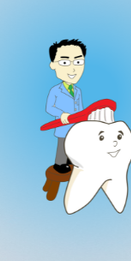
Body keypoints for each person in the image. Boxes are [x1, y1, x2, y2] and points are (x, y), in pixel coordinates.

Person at [43, 39, 88, 200]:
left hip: (76, 127)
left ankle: (72, 162)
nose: (72, 68)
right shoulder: (55, 90)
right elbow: (49, 108)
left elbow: (81, 108)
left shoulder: (78, 91)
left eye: (78, 61)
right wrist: (61, 115)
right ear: (53, 65)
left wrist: (83, 119)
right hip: (62, 127)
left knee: (74, 147)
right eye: (64, 62)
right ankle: (60, 165)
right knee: (62, 147)